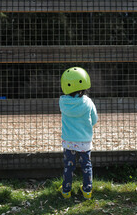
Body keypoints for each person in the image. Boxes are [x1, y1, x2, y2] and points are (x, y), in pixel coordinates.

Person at [59, 67, 98, 199]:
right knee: (86, 165)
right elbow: (94, 119)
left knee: (69, 165)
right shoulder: (88, 102)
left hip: (68, 141)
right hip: (84, 141)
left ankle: (66, 191)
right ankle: (87, 191)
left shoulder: (63, 102)